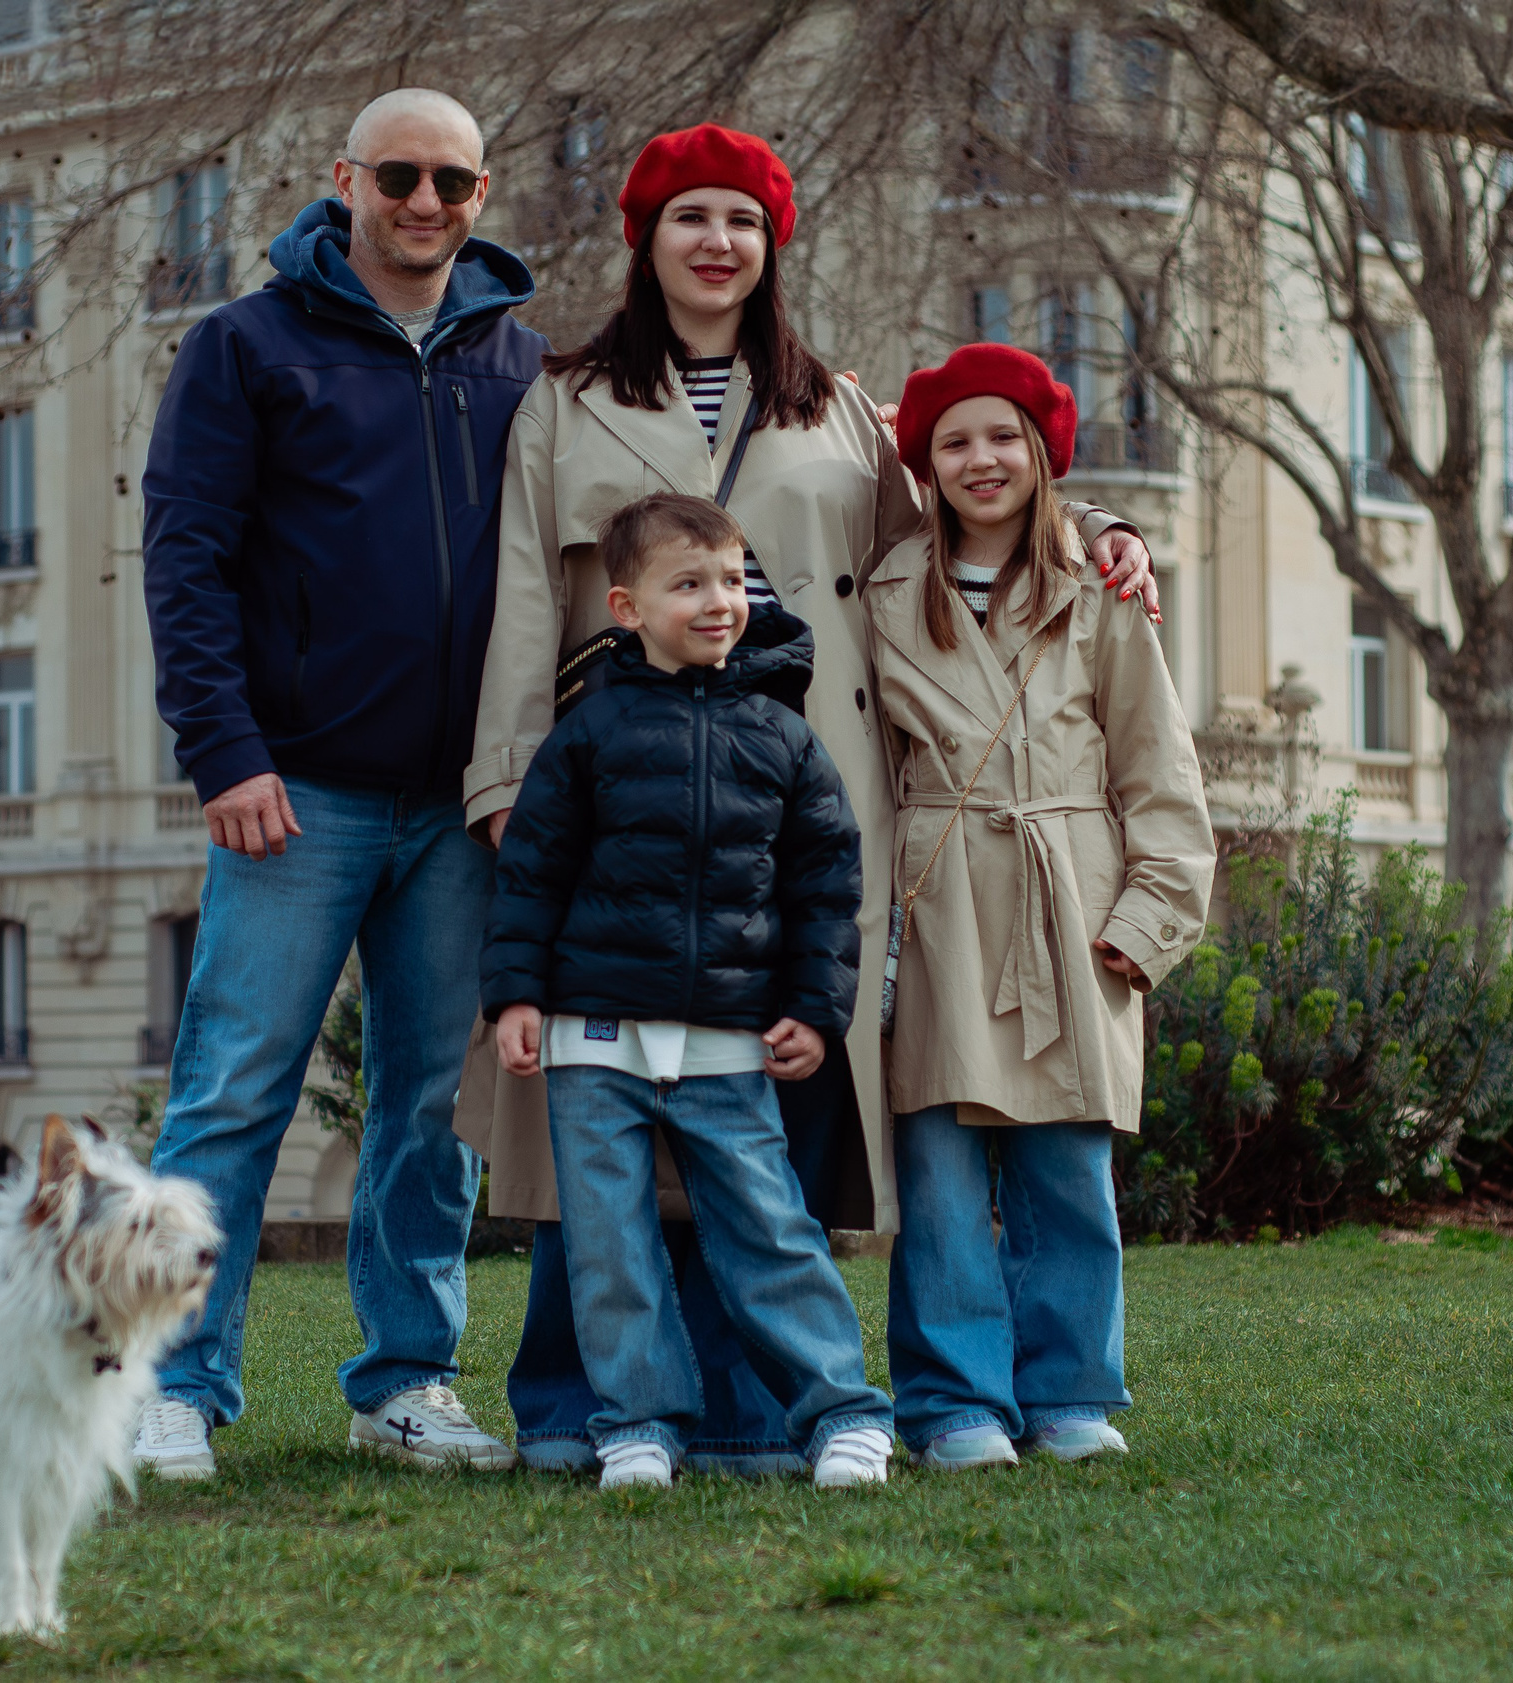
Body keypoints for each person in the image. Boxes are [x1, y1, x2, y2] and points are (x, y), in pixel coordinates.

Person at [456, 121, 1163, 1475]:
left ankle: (769, 1402)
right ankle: (581, 1405)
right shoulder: (564, 398)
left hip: (808, 800)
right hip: (621, 796)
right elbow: (519, 601)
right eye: (687, 217)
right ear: (644, 239)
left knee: (769, 1086)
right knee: (598, 1111)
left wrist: (1103, 532)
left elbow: (957, 542)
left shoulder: (835, 406)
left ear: (771, 242)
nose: (716, 241)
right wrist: (508, 776)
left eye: (741, 218)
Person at [133, 88, 547, 1479]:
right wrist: (226, 752)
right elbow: (184, 561)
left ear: (482, 193)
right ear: (344, 179)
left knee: (433, 1108)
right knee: (229, 1095)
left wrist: (1076, 514)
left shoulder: (523, 364)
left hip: (463, 806)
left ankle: (406, 1382)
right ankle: (171, 1378)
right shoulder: (245, 346)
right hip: (294, 793)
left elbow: (691, 473)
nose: (424, 202)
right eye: (398, 176)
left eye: (451, 180)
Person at [482, 492, 896, 1490]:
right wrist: (516, 997)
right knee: (611, 1248)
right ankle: (636, 1426)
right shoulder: (585, 734)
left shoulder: (785, 737)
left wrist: (815, 1007)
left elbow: (827, 885)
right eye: (689, 584)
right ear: (625, 607)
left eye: (731, 579)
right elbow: (530, 871)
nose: (719, 601)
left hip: (729, 1042)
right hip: (592, 1039)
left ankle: (843, 1414)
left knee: (769, 1230)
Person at [866, 343, 1214, 1471]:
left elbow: (1159, 773)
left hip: (1072, 904)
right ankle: (952, 1402)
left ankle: (1068, 1391)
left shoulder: (1099, 591)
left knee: (1068, 1164)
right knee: (939, 1170)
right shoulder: (878, 591)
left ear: (1043, 454)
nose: (981, 460)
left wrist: (1146, 922)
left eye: (1005, 437)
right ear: (921, 461)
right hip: (932, 903)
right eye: (955, 440)